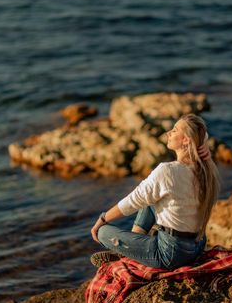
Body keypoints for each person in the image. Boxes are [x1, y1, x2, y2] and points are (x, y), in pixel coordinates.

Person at [90, 113, 221, 269]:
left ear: (186, 139)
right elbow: (201, 132)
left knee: (103, 233)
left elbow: (132, 201)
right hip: (197, 246)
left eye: (174, 130)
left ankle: (129, 253)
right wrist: (204, 143)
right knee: (151, 199)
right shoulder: (206, 169)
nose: (168, 133)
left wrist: (103, 219)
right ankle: (134, 245)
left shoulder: (167, 171)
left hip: (171, 254)